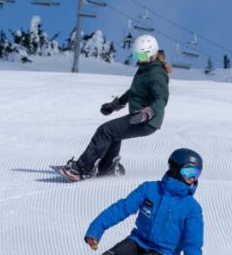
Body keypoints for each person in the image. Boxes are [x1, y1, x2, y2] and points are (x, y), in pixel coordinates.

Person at [56, 147, 205, 255]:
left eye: (197, 174)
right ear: (174, 168)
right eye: (189, 172)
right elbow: (122, 208)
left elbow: (193, 247)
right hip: (138, 242)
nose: (193, 178)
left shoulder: (192, 209)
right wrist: (96, 229)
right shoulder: (149, 189)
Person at [62, 34, 171, 179]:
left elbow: (162, 98)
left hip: (146, 120)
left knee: (105, 131)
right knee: (113, 133)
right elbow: (134, 92)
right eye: (137, 55)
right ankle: (107, 169)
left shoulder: (156, 73)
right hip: (139, 117)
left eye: (142, 56)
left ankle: (83, 168)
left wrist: (147, 113)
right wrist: (115, 105)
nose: (139, 59)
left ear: (151, 54)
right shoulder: (145, 68)